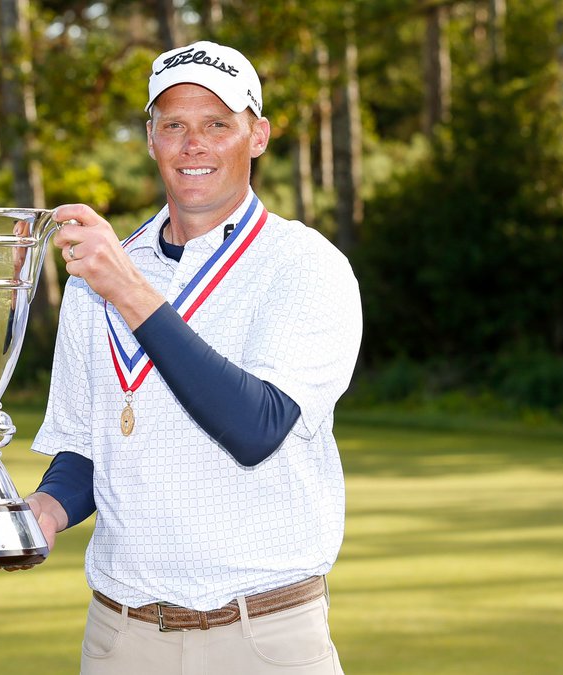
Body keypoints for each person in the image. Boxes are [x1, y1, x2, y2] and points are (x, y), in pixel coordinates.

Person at [26, 40, 362, 674]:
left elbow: (257, 427)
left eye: (217, 125)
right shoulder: (98, 273)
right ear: (151, 139)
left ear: (257, 136)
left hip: (264, 634)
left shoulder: (304, 264)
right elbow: (87, 448)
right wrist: (46, 508)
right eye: (174, 125)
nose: (193, 145)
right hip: (123, 636)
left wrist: (128, 290)